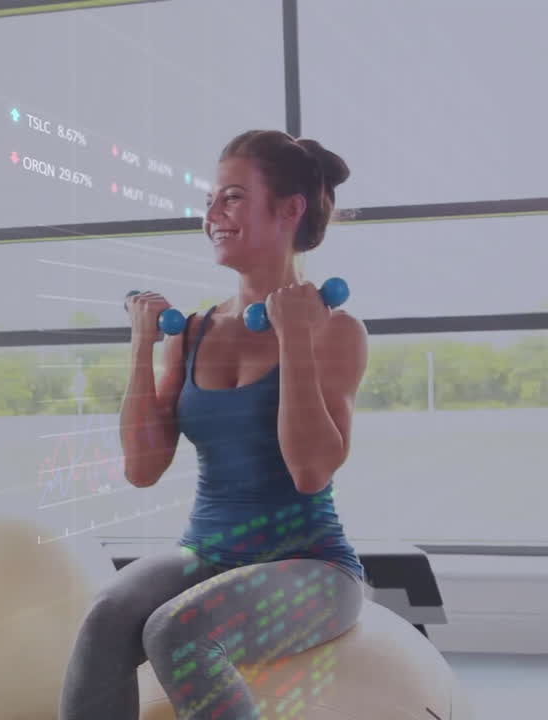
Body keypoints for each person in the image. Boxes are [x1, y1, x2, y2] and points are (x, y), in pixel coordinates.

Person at [60, 129, 369, 720]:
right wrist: (142, 346)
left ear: (289, 210)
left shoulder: (335, 330)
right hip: (207, 554)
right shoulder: (195, 332)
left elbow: (310, 472)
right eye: (210, 202)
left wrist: (294, 339)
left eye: (232, 198)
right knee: (107, 615)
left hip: (312, 567)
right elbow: (142, 469)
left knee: (178, 632)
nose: (213, 216)